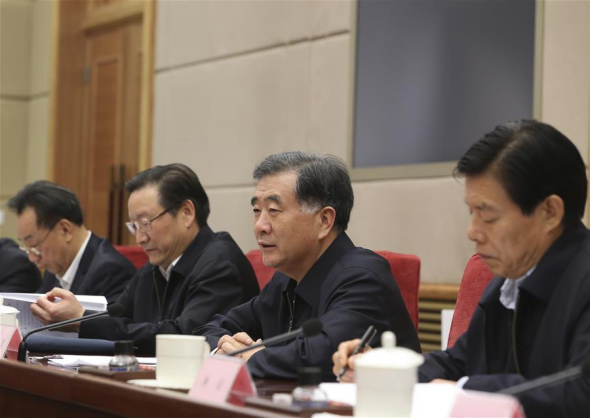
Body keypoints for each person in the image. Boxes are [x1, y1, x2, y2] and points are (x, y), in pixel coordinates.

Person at [332, 120, 590, 417]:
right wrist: (380, 368)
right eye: (472, 213)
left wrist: (465, 390)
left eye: (488, 216)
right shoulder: (507, 283)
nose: (472, 231)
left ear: (550, 212)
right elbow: (458, 363)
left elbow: (580, 392)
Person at [195, 151, 421, 380]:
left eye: (273, 211)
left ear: (324, 221)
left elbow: (321, 355)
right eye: (256, 211)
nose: (260, 226)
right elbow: (211, 328)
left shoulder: (362, 278)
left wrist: (252, 358)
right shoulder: (285, 279)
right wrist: (222, 348)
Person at [29, 164, 260, 355]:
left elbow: (185, 339)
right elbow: (116, 315)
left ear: (187, 212)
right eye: (134, 225)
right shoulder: (155, 266)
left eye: (146, 223)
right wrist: (76, 316)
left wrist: (82, 319)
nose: (139, 237)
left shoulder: (220, 265)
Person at [8, 181, 135, 302]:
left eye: (35, 246)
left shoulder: (111, 271)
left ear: (65, 229)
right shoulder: (56, 265)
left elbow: (109, 324)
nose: (32, 257)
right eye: (26, 247)